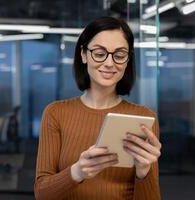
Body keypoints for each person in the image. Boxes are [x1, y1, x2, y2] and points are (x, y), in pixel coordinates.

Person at [34, 16, 161, 200]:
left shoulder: (143, 118)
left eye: (119, 55)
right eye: (100, 54)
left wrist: (144, 171)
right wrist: (78, 171)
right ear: (83, 54)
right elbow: (42, 194)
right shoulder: (56, 113)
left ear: (127, 60)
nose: (110, 63)